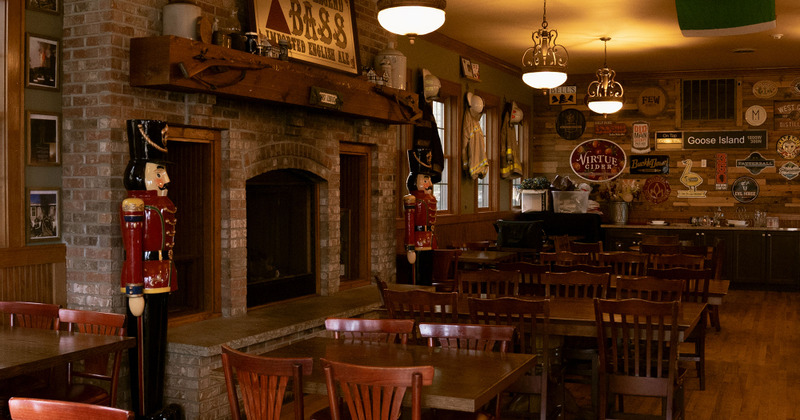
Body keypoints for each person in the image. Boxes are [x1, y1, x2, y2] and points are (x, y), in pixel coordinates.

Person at [120, 119, 177, 418]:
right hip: (142, 280)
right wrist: (133, 291)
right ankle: (145, 411)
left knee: (158, 346)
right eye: (159, 172)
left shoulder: (162, 203)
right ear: (141, 175)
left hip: (162, 276)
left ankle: (155, 408)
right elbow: (132, 252)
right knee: (144, 349)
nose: (165, 178)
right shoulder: (133, 205)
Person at [403, 147, 437, 286]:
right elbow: (409, 224)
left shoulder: (431, 198)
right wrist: (410, 248)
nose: (428, 184)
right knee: (418, 277)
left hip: (430, 241)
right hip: (418, 242)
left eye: (428, 179)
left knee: (427, 275)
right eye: (425, 180)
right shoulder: (411, 199)